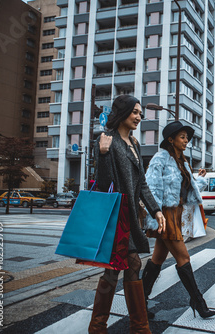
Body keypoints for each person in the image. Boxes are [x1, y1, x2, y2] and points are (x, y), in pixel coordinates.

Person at [89, 95, 166, 334]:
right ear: (122, 112)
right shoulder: (106, 140)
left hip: (131, 217)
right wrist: (102, 155)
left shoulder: (134, 143)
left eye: (140, 113)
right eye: (135, 112)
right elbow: (104, 186)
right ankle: (103, 326)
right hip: (115, 217)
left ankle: (136, 327)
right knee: (117, 268)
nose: (139, 117)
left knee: (129, 265)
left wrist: (156, 210)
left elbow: (142, 183)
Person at [142, 121, 215, 319]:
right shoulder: (160, 159)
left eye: (187, 138)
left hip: (175, 214)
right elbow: (151, 188)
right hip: (164, 215)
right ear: (170, 139)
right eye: (182, 137)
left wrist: (198, 179)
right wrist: (154, 217)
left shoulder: (181, 161)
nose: (186, 141)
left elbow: (185, 188)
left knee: (157, 259)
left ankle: (140, 301)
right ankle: (198, 302)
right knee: (183, 258)